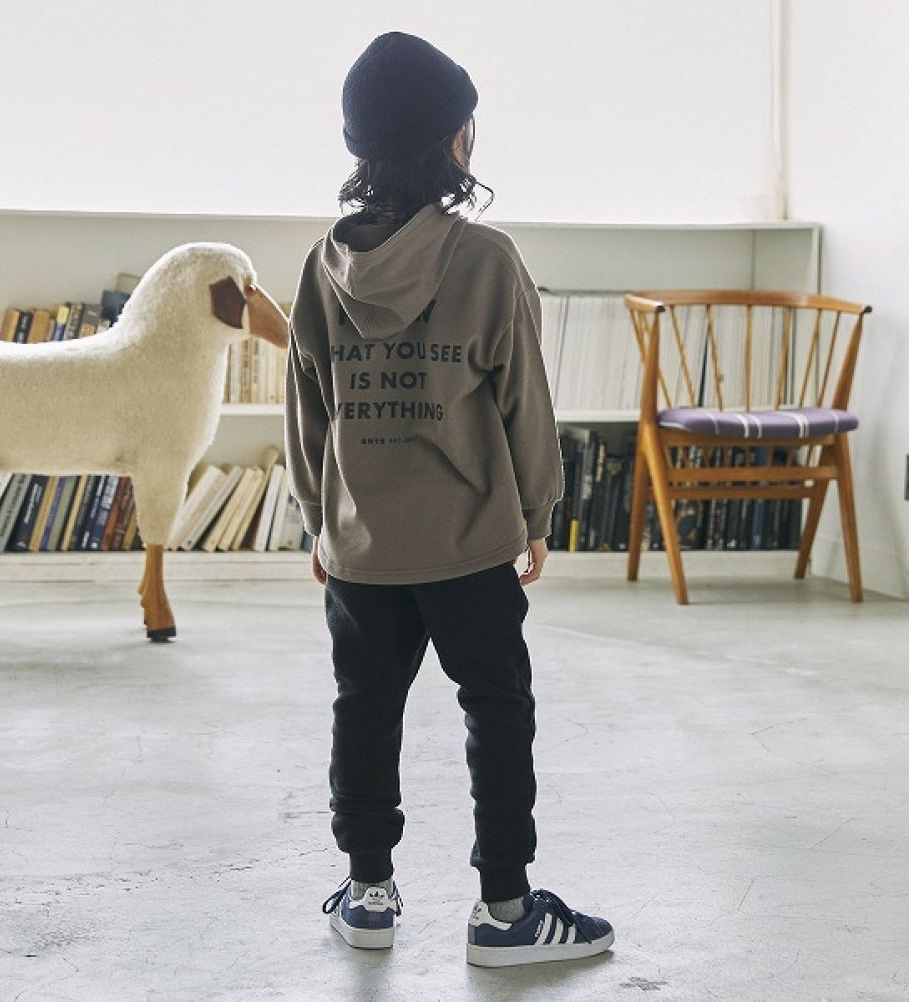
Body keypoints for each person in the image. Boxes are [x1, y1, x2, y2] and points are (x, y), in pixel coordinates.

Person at [250, 30, 613, 968]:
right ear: (456, 141)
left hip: (362, 547)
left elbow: (307, 408)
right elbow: (525, 401)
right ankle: (506, 910)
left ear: (361, 148)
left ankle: (368, 894)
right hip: (470, 541)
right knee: (497, 708)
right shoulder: (487, 260)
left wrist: (319, 521)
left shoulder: (321, 267)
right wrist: (538, 516)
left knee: (364, 708)